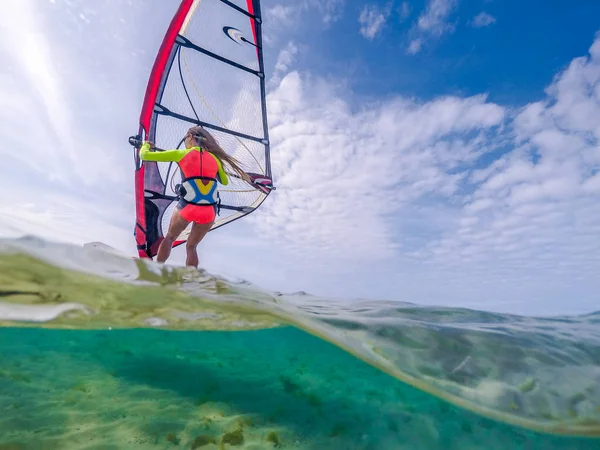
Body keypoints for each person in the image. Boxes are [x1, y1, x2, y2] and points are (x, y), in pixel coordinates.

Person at [138, 126, 250, 267]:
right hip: (208, 213)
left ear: (191, 137)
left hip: (187, 207)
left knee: (170, 238)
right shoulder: (215, 159)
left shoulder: (181, 154)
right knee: (192, 247)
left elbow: (144, 156)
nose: (185, 141)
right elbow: (225, 181)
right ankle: (192, 280)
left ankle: (157, 270)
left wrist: (145, 145)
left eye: (185, 138)